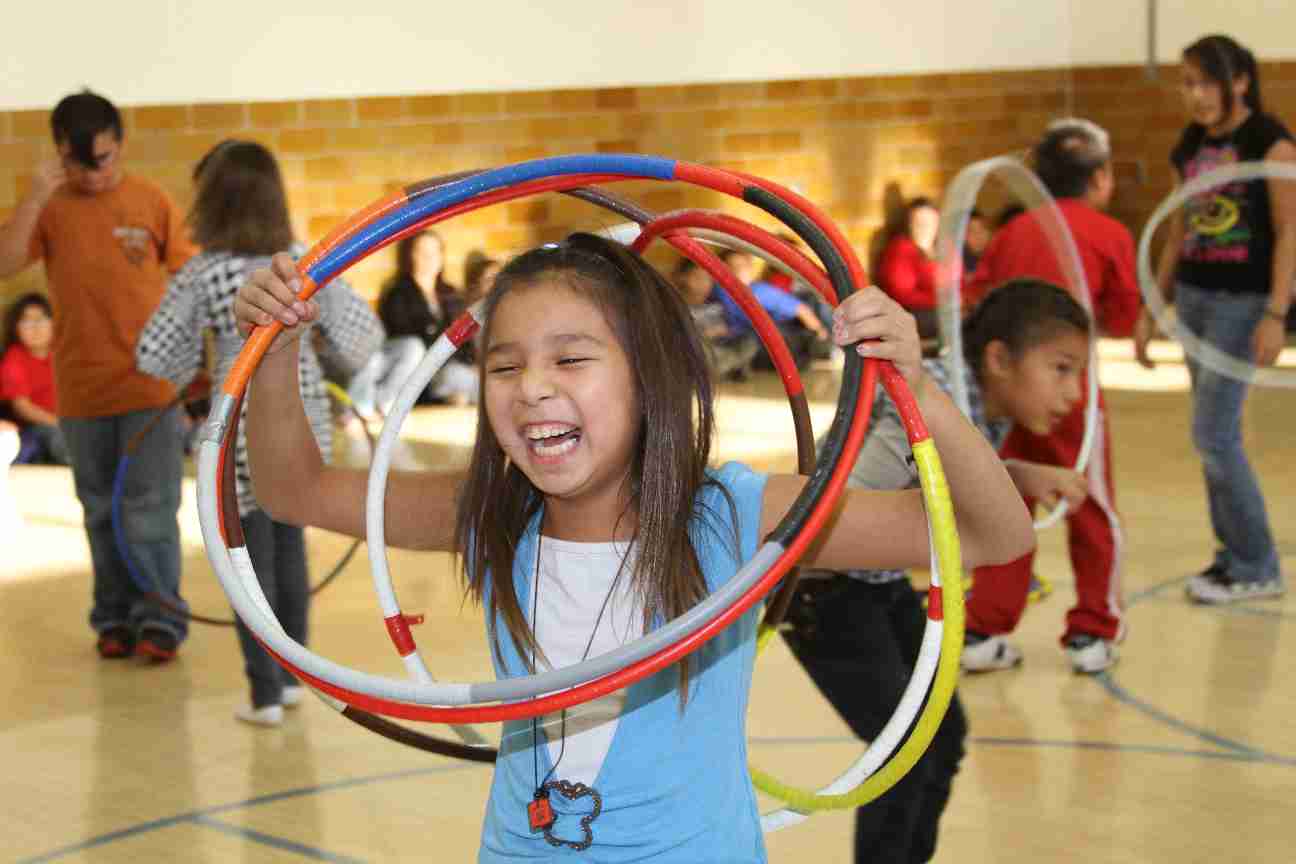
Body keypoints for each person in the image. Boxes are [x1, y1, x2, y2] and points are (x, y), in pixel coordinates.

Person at [235, 232, 1034, 861]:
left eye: (571, 358)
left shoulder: (734, 516)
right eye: (504, 365)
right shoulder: (489, 513)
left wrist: (918, 386)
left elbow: (994, 535)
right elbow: (293, 490)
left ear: (650, 378)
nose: (533, 386)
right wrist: (273, 350)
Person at [787, 278, 1090, 864]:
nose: (1074, 392)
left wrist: (1013, 475)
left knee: (940, 738)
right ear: (999, 359)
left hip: (873, 587)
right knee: (904, 753)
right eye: (1061, 368)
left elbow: (943, 466)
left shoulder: (970, 400)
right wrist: (966, 521)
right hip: (823, 593)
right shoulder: (923, 396)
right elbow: (840, 512)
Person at [137, 140, 382, 725]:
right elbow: (363, 338)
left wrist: (201, 364)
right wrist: (315, 336)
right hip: (303, 421)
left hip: (236, 430)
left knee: (246, 558)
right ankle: (296, 677)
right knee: (289, 542)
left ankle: (265, 693)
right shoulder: (305, 261)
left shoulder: (202, 274)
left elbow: (154, 354)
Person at [0, 89, 196, 660]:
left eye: (104, 160)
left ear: (122, 145)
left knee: (151, 510)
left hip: (150, 387)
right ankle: (113, 617)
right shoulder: (51, 206)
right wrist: (37, 195)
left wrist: (193, 367)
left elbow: (191, 282)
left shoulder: (151, 200)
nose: (93, 175)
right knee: (99, 510)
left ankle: (161, 621)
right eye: (79, 164)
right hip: (81, 393)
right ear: (60, 153)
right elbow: (7, 262)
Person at [961, 117, 1140, 674]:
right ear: (1101, 178)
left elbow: (975, 298)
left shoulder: (1014, 232)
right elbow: (1122, 314)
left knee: (1003, 501)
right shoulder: (1109, 234)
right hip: (1072, 399)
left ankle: (983, 627)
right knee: (1091, 506)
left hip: (1007, 391)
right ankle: (1093, 630)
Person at [1137, 34, 1294, 603]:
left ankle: (1257, 564)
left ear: (1240, 82)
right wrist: (1153, 304)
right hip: (1196, 299)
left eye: (1205, 82)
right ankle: (1231, 556)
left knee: (1214, 434)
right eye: (1187, 83)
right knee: (1212, 438)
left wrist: (1276, 312)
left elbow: (1289, 231)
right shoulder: (1191, 144)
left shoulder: (1269, 142)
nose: (1195, 95)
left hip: (1241, 303)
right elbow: (1177, 227)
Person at [348, 229, 478, 415]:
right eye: (422, 252)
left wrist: (469, 362)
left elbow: (465, 339)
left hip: (447, 369)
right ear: (410, 256)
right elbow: (404, 339)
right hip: (417, 371)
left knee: (466, 377)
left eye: (435, 252)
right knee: (425, 357)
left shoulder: (451, 293)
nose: (429, 258)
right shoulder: (397, 293)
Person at [713, 248, 831, 370]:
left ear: (750, 268)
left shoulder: (759, 292)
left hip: (781, 342)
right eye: (731, 267)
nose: (738, 271)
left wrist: (821, 338)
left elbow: (803, 310)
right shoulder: (721, 292)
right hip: (752, 342)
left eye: (742, 266)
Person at [0, 293, 68, 464]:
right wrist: (59, 423)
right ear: (15, 328)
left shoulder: (65, 355)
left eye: (42, 319)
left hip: (73, 424)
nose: (36, 327)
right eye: (27, 321)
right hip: (38, 428)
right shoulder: (14, 359)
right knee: (58, 439)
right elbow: (23, 408)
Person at [671, 256, 760, 379]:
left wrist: (726, 331)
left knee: (749, 342)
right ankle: (727, 367)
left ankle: (728, 366)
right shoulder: (675, 307)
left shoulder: (717, 306)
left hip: (719, 348)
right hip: (694, 351)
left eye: (708, 279)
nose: (705, 283)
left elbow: (731, 329)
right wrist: (703, 335)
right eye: (698, 278)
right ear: (683, 277)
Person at [877, 197, 941, 338]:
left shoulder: (944, 249)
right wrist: (944, 302)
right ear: (908, 224)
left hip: (945, 311)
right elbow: (903, 296)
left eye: (929, 222)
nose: (924, 227)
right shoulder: (900, 249)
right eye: (918, 223)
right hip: (912, 315)